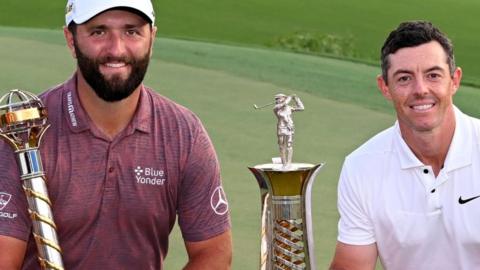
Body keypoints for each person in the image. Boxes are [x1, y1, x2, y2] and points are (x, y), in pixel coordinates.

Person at [0, 0, 232, 269]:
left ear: (152, 38)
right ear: (71, 39)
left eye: (131, 31)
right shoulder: (21, 133)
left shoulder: (183, 132)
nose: (116, 49)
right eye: (98, 31)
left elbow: (213, 253)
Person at [330, 21, 480, 270]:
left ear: (454, 80)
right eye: (404, 78)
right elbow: (352, 266)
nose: (420, 90)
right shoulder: (361, 167)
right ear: (384, 87)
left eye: (433, 75)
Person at [273, 94, 304, 167]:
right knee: (281, 145)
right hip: (281, 127)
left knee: (289, 145)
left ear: (283, 98)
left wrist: (296, 99)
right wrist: (289, 98)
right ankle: (284, 163)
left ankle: (289, 163)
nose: (277, 100)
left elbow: (301, 108)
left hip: (289, 127)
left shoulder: (289, 108)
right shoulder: (276, 108)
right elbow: (285, 104)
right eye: (276, 99)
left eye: (278, 98)